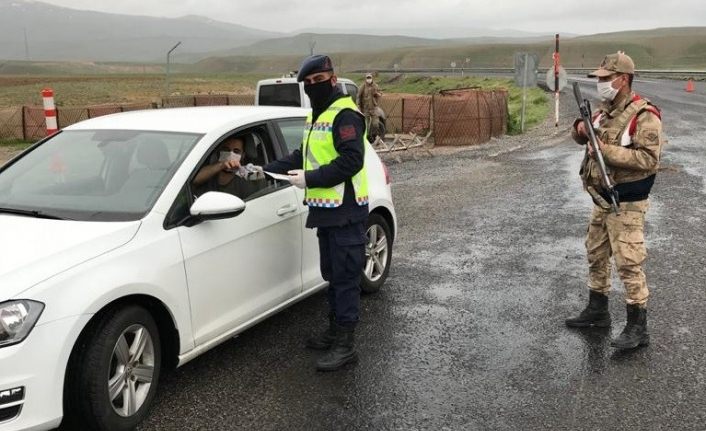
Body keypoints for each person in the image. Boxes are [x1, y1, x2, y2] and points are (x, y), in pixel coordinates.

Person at [263, 54, 368, 371]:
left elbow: (352, 161)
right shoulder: (316, 114)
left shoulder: (345, 114)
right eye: (308, 84)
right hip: (326, 212)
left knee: (346, 278)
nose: (313, 88)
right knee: (332, 275)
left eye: (318, 82)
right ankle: (335, 331)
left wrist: (310, 179)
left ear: (333, 80)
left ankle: (346, 345)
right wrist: (267, 169)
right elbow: (302, 155)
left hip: (346, 211)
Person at [565, 51, 664, 350]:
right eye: (599, 79)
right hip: (601, 198)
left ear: (623, 79)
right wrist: (580, 131)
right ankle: (598, 310)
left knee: (629, 262)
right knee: (595, 253)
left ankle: (638, 326)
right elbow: (582, 136)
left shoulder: (644, 115)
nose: (601, 83)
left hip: (627, 202)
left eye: (606, 79)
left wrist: (604, 151)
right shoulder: (603, 111)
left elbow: (648, 159)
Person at [192, 135, 266, 199]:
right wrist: (221, 165)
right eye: (226, 150)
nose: (230, 155)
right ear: (219, 152)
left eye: (236, 151)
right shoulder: (209, 174)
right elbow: (192, 180)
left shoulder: (247, 178)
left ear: (243, 155)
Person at [356, 72, 383, 138]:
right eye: (367, 78)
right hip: (365, 108)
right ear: (365, 79)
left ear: (372, 78)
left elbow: (380, 93)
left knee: (375, 124)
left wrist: (377, 94)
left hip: (374, 108)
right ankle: (366, 137)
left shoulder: (375, 86)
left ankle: (374, 135)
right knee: (366, 125)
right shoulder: (363, 86)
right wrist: (359, 106)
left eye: (370, 78)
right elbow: (358, 96)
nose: (369, 79)